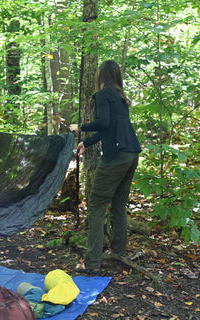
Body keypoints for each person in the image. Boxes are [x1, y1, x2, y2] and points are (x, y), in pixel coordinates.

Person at [70, 60, 141, 274]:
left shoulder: (103, 95)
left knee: (96, 206)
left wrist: (80, 127)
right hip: (131, 154)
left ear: (101, 75)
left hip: (116, 158)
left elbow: (102, 123)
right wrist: (86, 143)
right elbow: (108, 128)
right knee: (118, 206)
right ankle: (119, 253)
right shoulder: (120, 97)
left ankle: (92, 263)